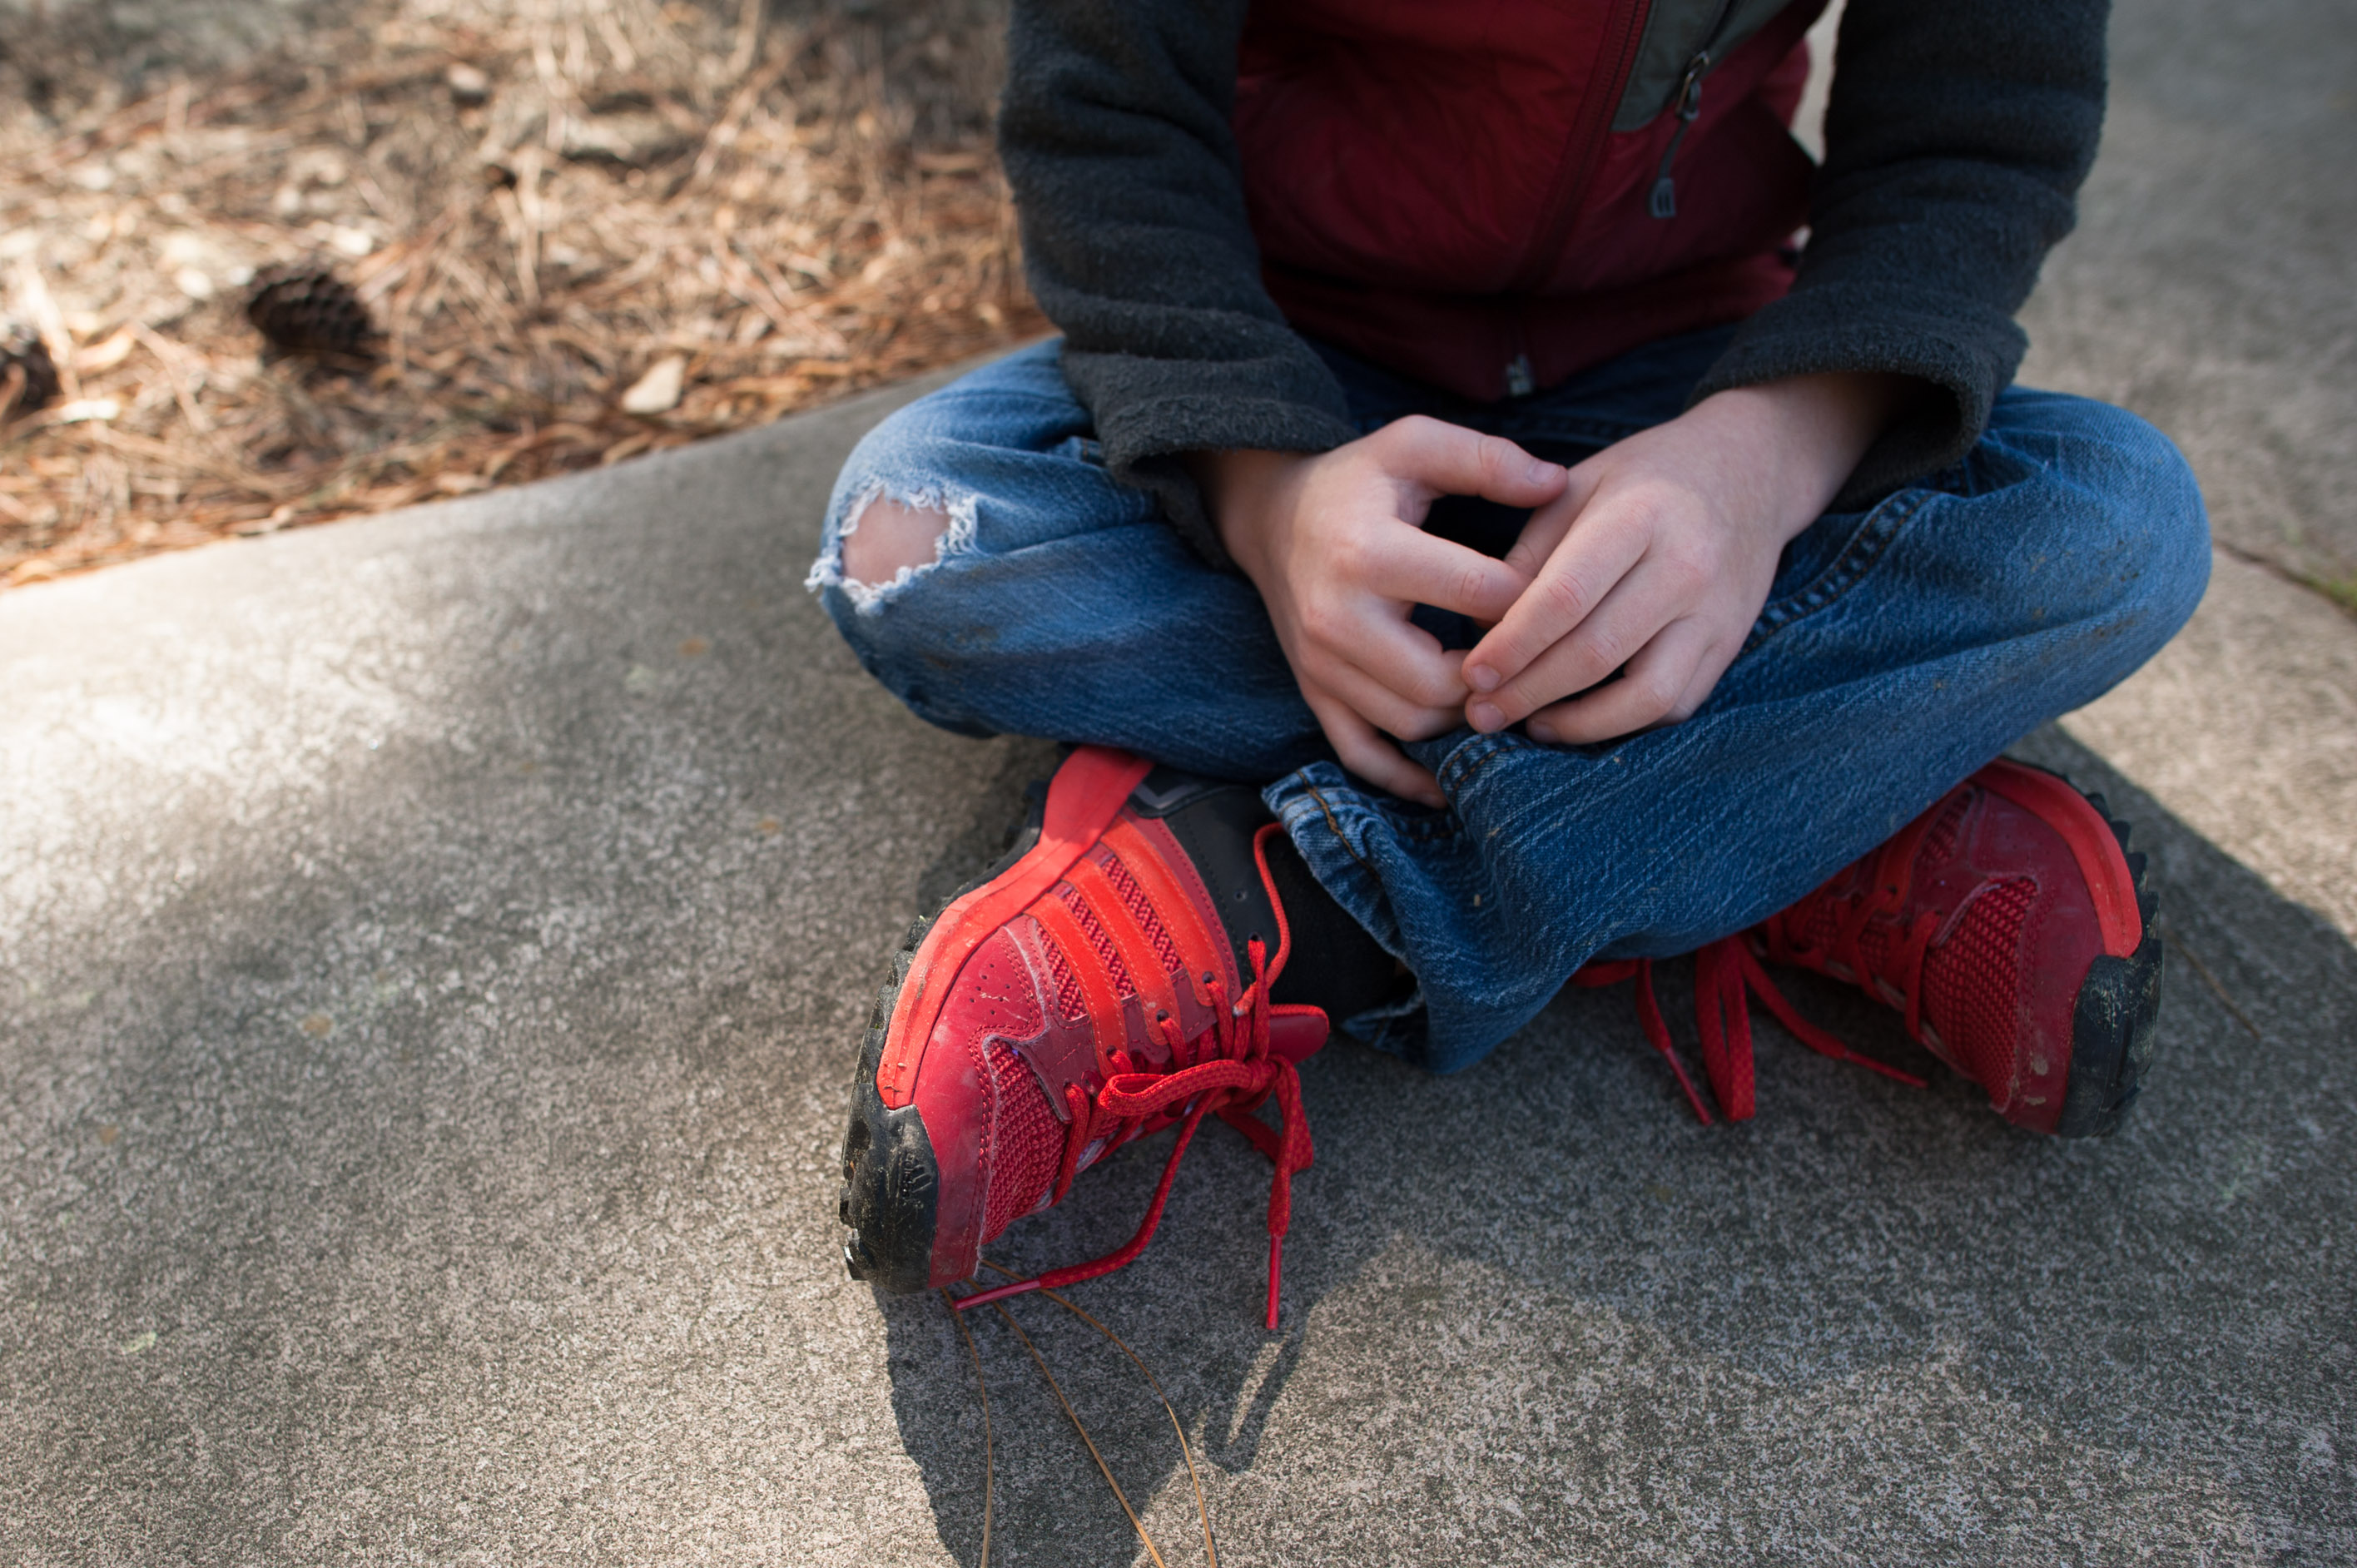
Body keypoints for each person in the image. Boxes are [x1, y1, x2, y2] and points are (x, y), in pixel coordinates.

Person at [813, 0, 2211, 1327]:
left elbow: (1971, 141)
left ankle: (1280, 908)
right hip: (1290, 374)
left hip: (1704, 395)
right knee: (914, 542)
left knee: (2113, 527)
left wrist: (1767, 459)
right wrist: (1267, 494)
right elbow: (1109, 112)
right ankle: (1778, 809)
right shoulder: (1269, 436)